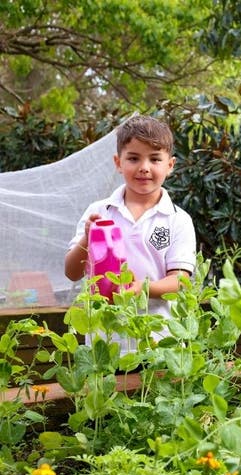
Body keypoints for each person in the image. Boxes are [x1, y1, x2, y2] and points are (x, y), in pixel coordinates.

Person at [64, 115, 196, 351]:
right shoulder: (98, 212)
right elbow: (72, 272)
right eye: (133, 158)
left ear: (170, 165)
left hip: (159, 342)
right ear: (118, 162)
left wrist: (142, 288)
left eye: (155, 159)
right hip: (104, 344)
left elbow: (181, 280)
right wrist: (87, 237)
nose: (144, 167)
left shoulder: (178, 219)